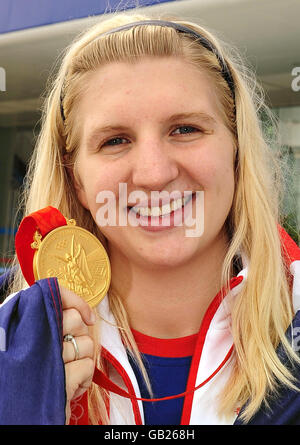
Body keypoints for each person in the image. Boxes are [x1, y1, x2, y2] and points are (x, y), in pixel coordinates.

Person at [0, 12, 300, 425]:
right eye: (115, 140)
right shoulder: (10, 336)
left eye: (185, 129)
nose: (155, 174)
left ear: (236, 151)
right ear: (77, 181)